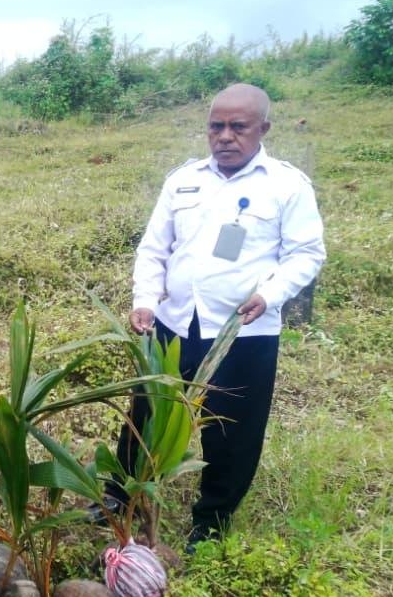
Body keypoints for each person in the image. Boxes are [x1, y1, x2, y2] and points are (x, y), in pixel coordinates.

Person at [102, 82, 326, 549]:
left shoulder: (286, 185)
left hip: (243, 332)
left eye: (237, 127)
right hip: (174, 321)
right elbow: (154, 248)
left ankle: (212, 520)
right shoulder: (184, 180)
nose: (225, 136)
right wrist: (145, 298)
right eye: (216, 126)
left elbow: (306, 254)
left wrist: (270, 293)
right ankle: (120, 497)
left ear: (263, 128)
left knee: (232, 429)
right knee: (145, 413)